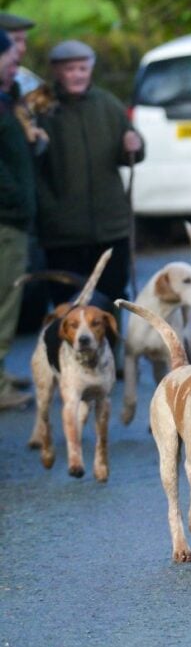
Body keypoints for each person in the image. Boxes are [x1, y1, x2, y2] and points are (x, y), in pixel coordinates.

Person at [34, 40, 144, 310]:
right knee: (66, 306)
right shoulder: (41, 110)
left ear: (91, 70)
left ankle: (113, 354)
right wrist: (49, 211)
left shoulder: (108, 104)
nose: (77, 75)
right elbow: (33, 168)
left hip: (111, 227)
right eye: (70, 69)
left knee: (112, 300)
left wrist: (135, 144)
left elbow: (131, 152)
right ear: (56, 71)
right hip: (62, 232)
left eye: (83, 68)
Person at [0, 31, 34, 409]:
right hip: (7, 219)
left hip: (12, 217)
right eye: (10, 61)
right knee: (5, 301)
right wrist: (15, 197)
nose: (15, 67)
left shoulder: (6, 99)